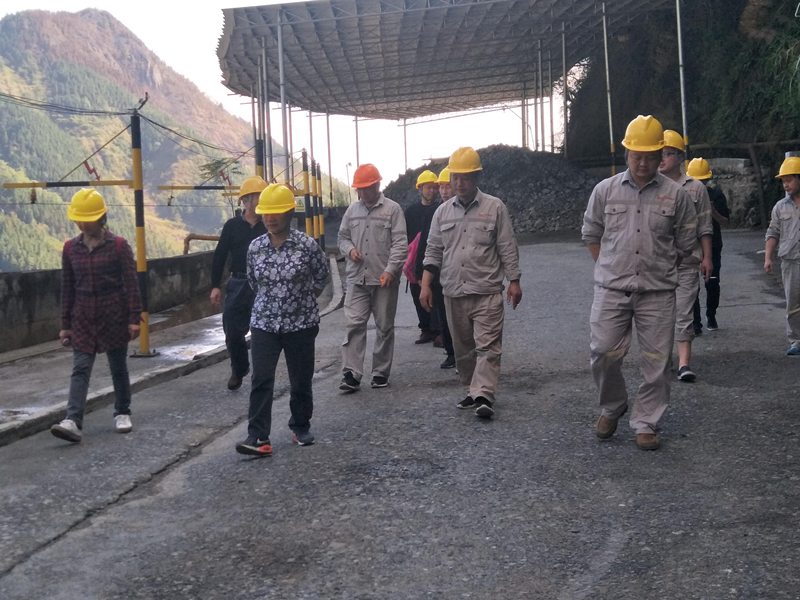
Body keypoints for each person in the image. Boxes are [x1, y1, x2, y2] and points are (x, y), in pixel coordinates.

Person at [582, 116, 697, 451]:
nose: (643, 163)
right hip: (611, 288)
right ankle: (613, 405)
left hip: (657, 292)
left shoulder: (676, 195)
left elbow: (685, 244)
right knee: (602, 352)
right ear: (627, 153)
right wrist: (609, 267)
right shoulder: (605, 191)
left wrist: (659, 270)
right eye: (637, 156)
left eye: (650, 156)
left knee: (657, 361)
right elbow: (592, 234)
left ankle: (646, 421)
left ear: (661, 154)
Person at [420, 147, 522, 418]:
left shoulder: (494, 207)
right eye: (455, 177)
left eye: (465, 177)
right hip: (454, 291)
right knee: (463, 348)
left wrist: (514, 280)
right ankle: (471, 389)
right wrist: (426, 285)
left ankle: (484, 394)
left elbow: (507, 246)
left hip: (486, 290)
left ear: (476, 177)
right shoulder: (442, 213)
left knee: (488, 346)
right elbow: (433, 251)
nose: (459, 183)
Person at [235, 184, 329, 456]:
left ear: (289, 213)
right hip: (264, 323)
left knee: (300, 379)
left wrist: (302, 298)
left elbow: (322, 276)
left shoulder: (306, 245)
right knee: (261, 379)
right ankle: (258, 436)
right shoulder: (255, 248)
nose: (270, 218)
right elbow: (253, 281)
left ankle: (300, 425)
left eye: (276, 213)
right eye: (266, 213)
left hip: (300, 324)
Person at [51, 189, 142, 443]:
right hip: (82, 316)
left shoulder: (119, 246)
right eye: (79, 220)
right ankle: (73, 420)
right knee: (80, 368)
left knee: (118, 366)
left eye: (87, 220)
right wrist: (65, 325)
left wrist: (134, 318)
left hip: (113, 313)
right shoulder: (70, 248)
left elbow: (131, 284)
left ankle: (122, 411)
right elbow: (67, 287)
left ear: (100, 217)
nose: (82, 225)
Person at [338, 164, 408, 392]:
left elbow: (400, 244)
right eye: (359, 189)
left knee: (384, 327)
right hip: (357, 279)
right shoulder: (352, 211)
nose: (363, 192)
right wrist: (350, 250)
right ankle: (351, 373)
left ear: (377, 185)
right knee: (354, 324)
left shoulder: (393, 210)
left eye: (367, 188)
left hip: (384, 280)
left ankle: (380, 372)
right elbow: (342, 238)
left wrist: (390, 270)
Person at [658, 131, 713, 382]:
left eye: (667, 154)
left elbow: (705, 226)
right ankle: (662, 360)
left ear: (680, 157)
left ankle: (684, 364)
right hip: (657, 263)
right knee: (659, 315)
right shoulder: (651, 187)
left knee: (683, 312)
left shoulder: (696, 188)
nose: (662, 158)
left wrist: (707, 258)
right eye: (659, 153)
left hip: (688, 261)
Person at [210, 176, 268, 391]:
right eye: (258, 196)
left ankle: (262, 374)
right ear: (246, 200)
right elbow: (220, 255)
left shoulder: (269, 224)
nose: (262, 200)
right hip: (239, 281)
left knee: (263, 332)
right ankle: (239, 369)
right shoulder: (232, 226)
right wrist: (215, 285)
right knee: (233, 329)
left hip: (263, 284)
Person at [415, 167, 456, 369]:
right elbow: (426, 245)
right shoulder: (434, 212)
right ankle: (451, 352)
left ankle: (468, 354)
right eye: (441, 187)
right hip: (439, 274)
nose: (444, 191)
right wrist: (421, 275)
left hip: (461, 274)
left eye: (448, 186)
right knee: (444, 316)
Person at [689, 158, 730, 333]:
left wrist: (713, 212)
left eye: (702, 181)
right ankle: (695, 322)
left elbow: (726, 222)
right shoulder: (683, 195)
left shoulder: (716, 195)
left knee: (712, 282)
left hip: (713, 244)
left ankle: (711, 315)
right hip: (691, 244)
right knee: (691, 284)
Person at [765, 156, 800, 356]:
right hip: (790, 261)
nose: (786, 185)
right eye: (783, 181)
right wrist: (768, 257)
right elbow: (773, 232)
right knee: (793, 302)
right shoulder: (780, 207)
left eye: (789, 180)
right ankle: (796, 340)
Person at [404, 170, 441, 345]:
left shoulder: (441, 209)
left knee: (435, 293)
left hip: (434, 256)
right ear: (420, 189)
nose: (432, 191)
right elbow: (404, 235)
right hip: (414, 259)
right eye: (428, 187)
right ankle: (425, 329)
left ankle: (438, 331)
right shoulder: (411, 212)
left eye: (434, 187)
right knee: (416, 292)